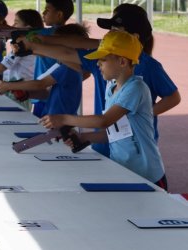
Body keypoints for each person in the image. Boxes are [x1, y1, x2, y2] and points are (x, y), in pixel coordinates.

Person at [17, 3, 181, 157]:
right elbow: (76, 46)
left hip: (136, 149)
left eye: (115, 30)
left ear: (134, 37)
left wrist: (146, 113)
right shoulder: (104, 59)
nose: (108, 34)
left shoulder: (148, 68)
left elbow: (173, 97)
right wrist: (37, 45)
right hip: (104, 141)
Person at [40, 30, 168, 190]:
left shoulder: (136, 88)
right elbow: (116, 133)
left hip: (148, 175)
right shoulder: (111, 88)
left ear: (122, 62)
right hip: (125, 170)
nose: (98, 64)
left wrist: (64, 119)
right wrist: (82, 137)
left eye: (103, 59)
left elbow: (104, 121)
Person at [0, 24, 88, 117]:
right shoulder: (63, 65)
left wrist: (9, 85)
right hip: (54, 118)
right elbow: (47, 93)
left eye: (55, 44)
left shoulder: (67, 68)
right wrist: (26, 94)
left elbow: (40, 84)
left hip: (58, 121)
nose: (51, 47)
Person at [30, 0, 74, 117]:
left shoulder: (46, 34)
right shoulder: (70, 35)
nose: (43, 13)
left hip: (44, 94)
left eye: (47, 10)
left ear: (59, 15)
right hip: (60, 94)